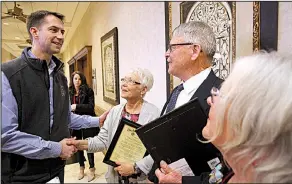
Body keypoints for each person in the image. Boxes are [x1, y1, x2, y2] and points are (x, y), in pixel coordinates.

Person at [1, 10, 108, 183]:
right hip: (21, 176)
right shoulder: (8, 74)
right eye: (53, 30)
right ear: (34, 32)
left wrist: (98, 121)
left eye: (62, 31)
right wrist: (56, 149)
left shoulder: (60, 78)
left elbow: (65, 118)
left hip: (57, 171)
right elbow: (5, 136)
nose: (60, 36)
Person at [155, 51, 292, 183]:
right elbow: (211, 179)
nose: (210, 100)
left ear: (250, 120)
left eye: (220, 93)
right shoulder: (231, 168)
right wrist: (181, 181)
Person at [145, 21, 224, 183]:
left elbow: (228, 166)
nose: (166, 54)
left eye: (172, 48)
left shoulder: (223, 93)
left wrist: (184, 182)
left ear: (195, 50)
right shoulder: (177, 92)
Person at [67, 68, 161, 183]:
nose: (124, 84)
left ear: (143, 89)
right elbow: (102, 140)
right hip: (115, 176)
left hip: (141, 178)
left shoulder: (154, 114)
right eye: (123, 80)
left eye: (130, 81)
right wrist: (79, 144)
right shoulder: (115, 111)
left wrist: (135, 167)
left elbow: (157, 150)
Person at [69, 71, 100, 182]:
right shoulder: (70, 92)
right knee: (77, 145)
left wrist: (76, 106)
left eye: (79, 79)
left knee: (88, 145)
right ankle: (81, 167)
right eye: (75, 79)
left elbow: (90, 107)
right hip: (75, 123)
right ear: (72, 80)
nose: (77, 81)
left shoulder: (88, 91)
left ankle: (92, 168)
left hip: (88, 122)